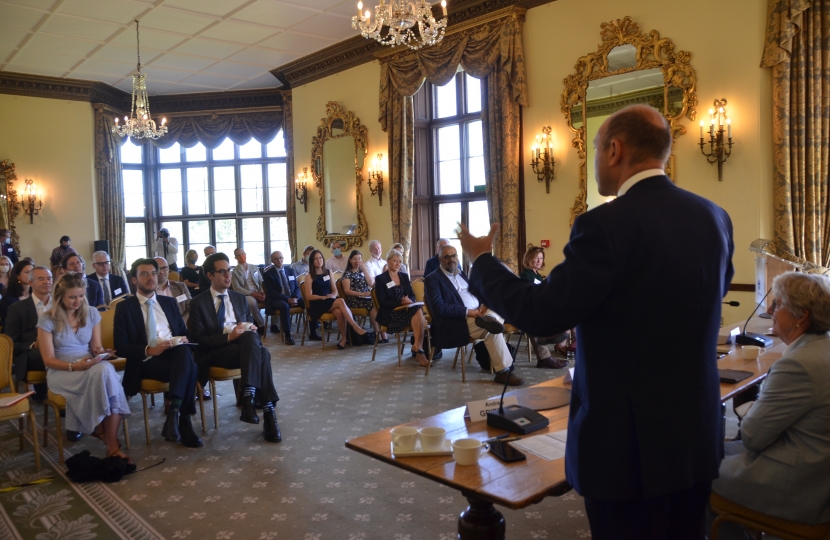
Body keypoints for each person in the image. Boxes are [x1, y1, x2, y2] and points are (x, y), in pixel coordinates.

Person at [458, 104, 734, 539]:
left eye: (594, 147)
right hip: (695, 433)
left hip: (628, 446)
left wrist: (482, 259)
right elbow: (708, 296)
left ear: (614, 150)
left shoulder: (605, 225)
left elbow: (541, 313)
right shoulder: (714, 217)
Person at [709, 272, 830, 537]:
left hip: (804, 485)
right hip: (816, 462)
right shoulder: (822, 348)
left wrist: (752, 407)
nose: (770, 310)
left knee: (699, 473)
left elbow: (753, 437)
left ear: (802, 315)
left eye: (778, 304)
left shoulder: (797, 364)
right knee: (710, 453)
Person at [37, 274, 132, 461]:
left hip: (88, 364)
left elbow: (95, 347)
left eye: (81, 296)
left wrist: (102, 352)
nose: (78, 301)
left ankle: (108, 439)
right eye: (72, 297)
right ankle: (109, 442)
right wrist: (74, 366)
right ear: (60, 297)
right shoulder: (47, 320)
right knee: (105, 373)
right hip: (62, 370)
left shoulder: (91, 313)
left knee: (105, 370)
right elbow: (48, 360)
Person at [188, 253, 281, 442]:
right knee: (262, 353)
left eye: (228, 270)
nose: (228, 275)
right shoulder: (198, 302)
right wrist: (229, 336)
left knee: (255, 343)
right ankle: (265, 411)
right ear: (210, 276)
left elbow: (246, 328)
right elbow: (200, 340)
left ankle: (251, 399)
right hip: (215, 352)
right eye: (222, 272)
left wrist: (250, 329)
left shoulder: (239, 298)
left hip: (242, 349)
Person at [114, 259, 201, 448]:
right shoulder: (124, 307)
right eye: (144, 274)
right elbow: (120, 346)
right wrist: (148, 349)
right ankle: (183, 422)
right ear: (134, 280)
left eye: (153, 273)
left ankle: (174, 412)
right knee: (190, 367)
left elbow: (183, 332)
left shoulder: (169, 303)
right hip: (146, 361)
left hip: (174, 355)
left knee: (185, 355)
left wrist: (183, 339)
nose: (150, 278)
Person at [424, 245, 522, 384]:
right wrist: (468, 311)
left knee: (498, 306)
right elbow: (439, 308)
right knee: (490, 329)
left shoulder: (462, 274)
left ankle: (490, 320)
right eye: (447, 257)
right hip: (457, 322)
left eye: (454, 255)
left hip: (479, 314)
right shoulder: (433, 279)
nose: (451, 259)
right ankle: (504, 371)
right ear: (440, 259)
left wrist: (484, 304)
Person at [3, 266, 52, 401]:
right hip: (31, 354)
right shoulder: (17, 308)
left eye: (49, 278)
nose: (46, 282)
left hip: (60, 347)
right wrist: (34, 345)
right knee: (44, 352)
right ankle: (54, 392)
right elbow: (11, 341)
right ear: (30, 283)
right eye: (41, 279)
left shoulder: (61, 305)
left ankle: (62, 393)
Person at [302, 249, 367, 349]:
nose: (319, 260)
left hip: (330, 300)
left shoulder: (328, 272)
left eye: (320, 258)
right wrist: (323, 297)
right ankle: (355, 327)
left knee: (339, 313)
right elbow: (308, 296)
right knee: (341, 301)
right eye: (316, 259)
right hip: (317, 303)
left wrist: (332, 295)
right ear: (312, 261)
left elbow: (334, 290)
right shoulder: (309, 276)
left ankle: (344, 339)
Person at [375, 249, 429, 367]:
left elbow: (412, 295)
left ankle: (418, 347)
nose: (398, 264)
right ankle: (418, 349)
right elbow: (383, 302)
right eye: (395, 260)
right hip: (392, 314)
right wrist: (401, 302)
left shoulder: (404, 276)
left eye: (400, 261)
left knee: (417, 309)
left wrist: (410, 301)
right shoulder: (381, 279)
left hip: (407, 310)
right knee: (419, 314)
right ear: (388, 261)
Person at [519, 246, 568, 369]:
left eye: (541, 258)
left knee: (570, 311)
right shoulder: (526, 274)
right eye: (536, 258)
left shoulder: (538, 275)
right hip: (529, 308)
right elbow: (530, 293)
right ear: (529, 259)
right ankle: (547, 349)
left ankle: (554, 338)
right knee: (534, 320)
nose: (539, 261)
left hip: (540, 307)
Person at [341, 249, 385, 341]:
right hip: (355, 299)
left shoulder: (361, 272)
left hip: (366, 298)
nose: (357, 261)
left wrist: (364, 268)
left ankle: (382, 332)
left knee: (379, 303)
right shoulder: (347, 274)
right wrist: (362, 294)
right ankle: (377, 332)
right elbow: (347, 291)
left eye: (359, 259)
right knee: (373, 305)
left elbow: (371, 283)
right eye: (355, 259)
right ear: (350, 260)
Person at [261, 251, 303, 345]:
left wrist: (295, 297)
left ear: (283, 258)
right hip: (276, 300)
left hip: (292, 297)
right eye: (276, 259)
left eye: (280, 257)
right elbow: (271, 292)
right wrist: (287, 299)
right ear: (272, 261)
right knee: (285, 306)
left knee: (306, 302)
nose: (279, 260)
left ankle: (313, 330)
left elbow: (296, 287)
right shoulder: (268, 274)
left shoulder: (290, 271)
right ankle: (288, 335)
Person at [231, 248, 266, 335]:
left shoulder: (254, 267)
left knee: (273, 298)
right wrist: (252, 293)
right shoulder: (235, 271)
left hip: (257, 290)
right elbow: (236, 288)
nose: (241, 256)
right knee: (252, 303)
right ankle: (261, 324)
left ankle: (274, 324)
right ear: (235, 258)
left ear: (245, 254)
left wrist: (262, 292)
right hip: (246, 294)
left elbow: (261, 281)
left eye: (242, 254)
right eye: (239, 255)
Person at [154, 256, 191, 323]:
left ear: (168, 269)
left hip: (181, 326)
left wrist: (181, 323)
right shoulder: (148, 290)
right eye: (158, 269)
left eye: (164, 268)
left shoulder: (181, 287)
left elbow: (191, 307)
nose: (161, 271)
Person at [0, 259, 33, 327]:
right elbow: (8, 322)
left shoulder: (36, 294)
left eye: (33, 272)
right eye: (27, 272)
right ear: (18, 276)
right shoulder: (8, 298)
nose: (31, 275)